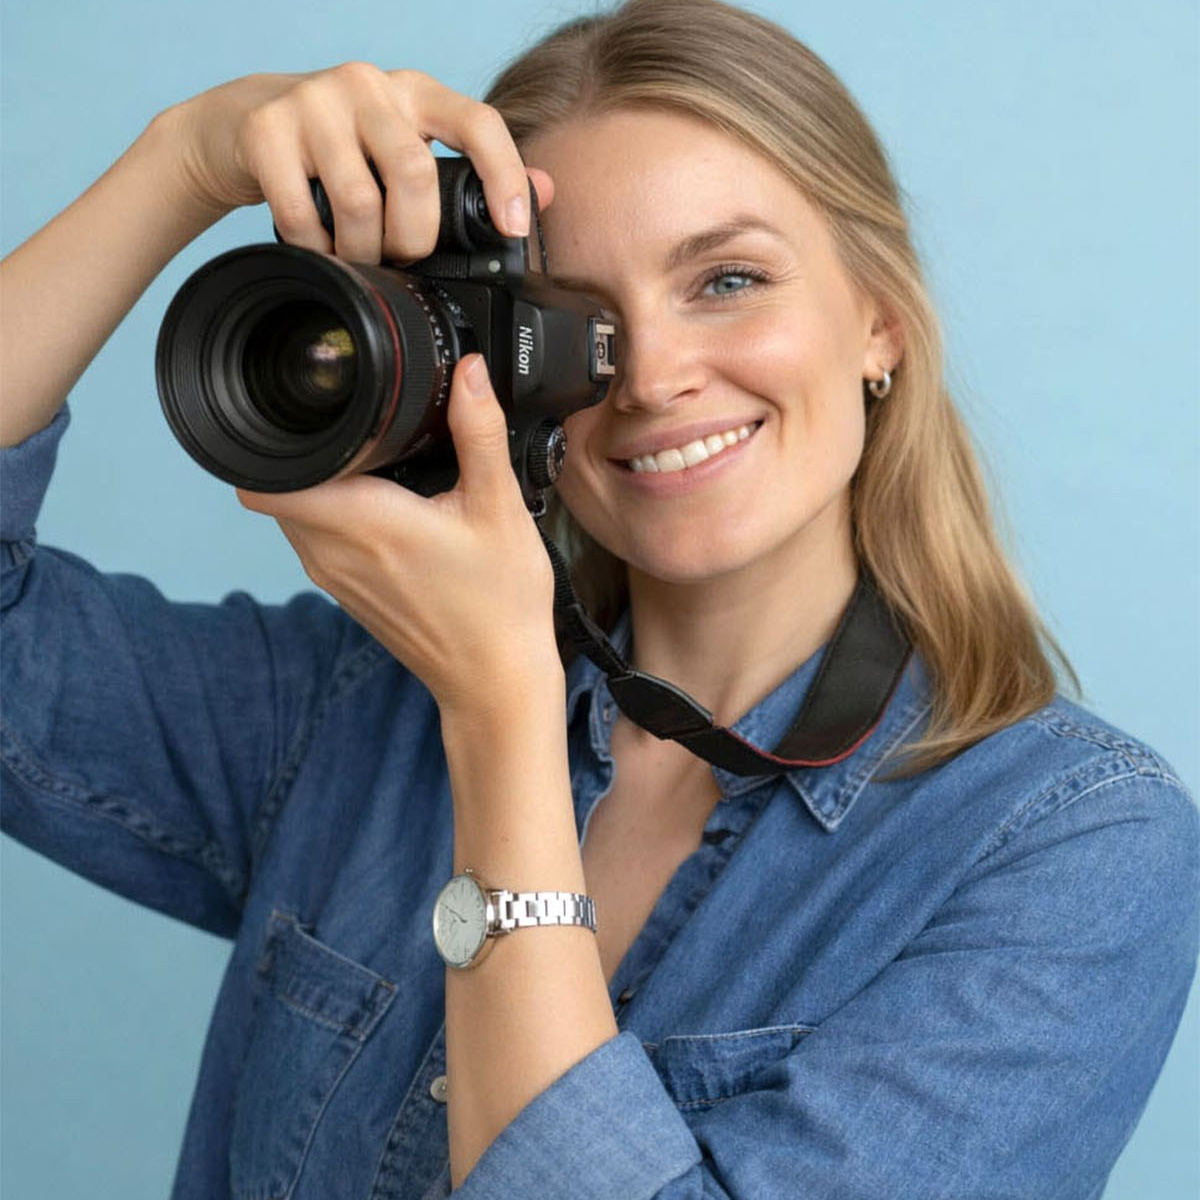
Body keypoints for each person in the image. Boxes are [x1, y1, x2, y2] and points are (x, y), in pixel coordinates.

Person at [1, 0, 1196, 1196]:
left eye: (726, 278)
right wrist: (181, 165)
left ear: (878, 322)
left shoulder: (1070, 850)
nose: (655, 377)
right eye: (574, 319)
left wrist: (503, 715)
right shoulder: (352, 708)